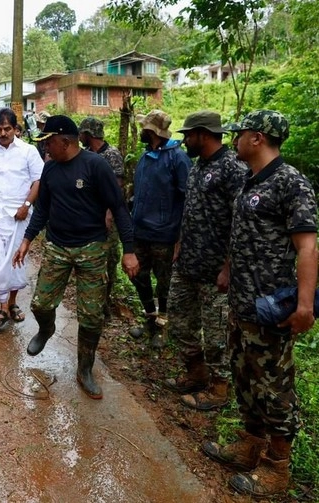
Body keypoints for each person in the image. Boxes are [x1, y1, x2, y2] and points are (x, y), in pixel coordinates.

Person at [201, 110, 317, 496]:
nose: (235, 139)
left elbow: (307, 248)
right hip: (242, 303)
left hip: (272, 307)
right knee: (245, 377)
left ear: (258, 138)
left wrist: (305, 307)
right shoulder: (250, 180)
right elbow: (244, 233)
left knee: (274, 387)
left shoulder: (291, 184)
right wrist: (228, 270)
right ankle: (250, 445)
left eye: (241, 134)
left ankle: (277, 468)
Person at [13, 115, 139, 399]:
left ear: (65, 141)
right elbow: (42, 209)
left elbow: (118, 208)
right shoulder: (50, 170)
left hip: (91, 248)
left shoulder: (96, 166)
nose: (45, 148)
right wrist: (27, 239)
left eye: (49, 142)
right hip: (57, 247)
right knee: (41, 304)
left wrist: (129, 250)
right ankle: (46, 329)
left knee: (92, 316)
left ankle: (85, 368)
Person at [163, 111, 246, 411]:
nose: (185, 140)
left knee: (215, 333)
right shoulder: (198, 166)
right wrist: (179, 244)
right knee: (179, 320)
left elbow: (240, 222)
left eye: (189, 134)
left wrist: (228, 266)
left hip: (215, 271)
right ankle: (195, 373)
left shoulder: (233, 168)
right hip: (188, 263)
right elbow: (192, 210)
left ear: (204, 134)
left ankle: (219, 389)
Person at [0, 107, 44, 331]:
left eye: (8, 129)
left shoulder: (28, 151)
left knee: (14, 261)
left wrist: (26, 205)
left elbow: (38, 182)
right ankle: (2, 308)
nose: (3, 133)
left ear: (16, 129)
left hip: (18, 216)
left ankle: (11, 304)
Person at [129, 109, 191, 348]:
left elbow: (187, 199)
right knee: (138, 276)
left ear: (151, 131)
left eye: (144, 128)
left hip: (165, 234)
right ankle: (150, 318)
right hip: (140, 232)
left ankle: (163, 326)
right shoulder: (146, 157)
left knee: (164, 281)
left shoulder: (178, 158)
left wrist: (179, 238)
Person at [79, 117, 124, 318]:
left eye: (82, 133)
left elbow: (117, 188)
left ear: (88, 134)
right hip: (89, 217)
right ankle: (91, 302)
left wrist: (108, 213)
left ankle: (105, 303)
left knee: (109, 259)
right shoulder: (86, 155)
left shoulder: (111, 155)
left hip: (107, 217)